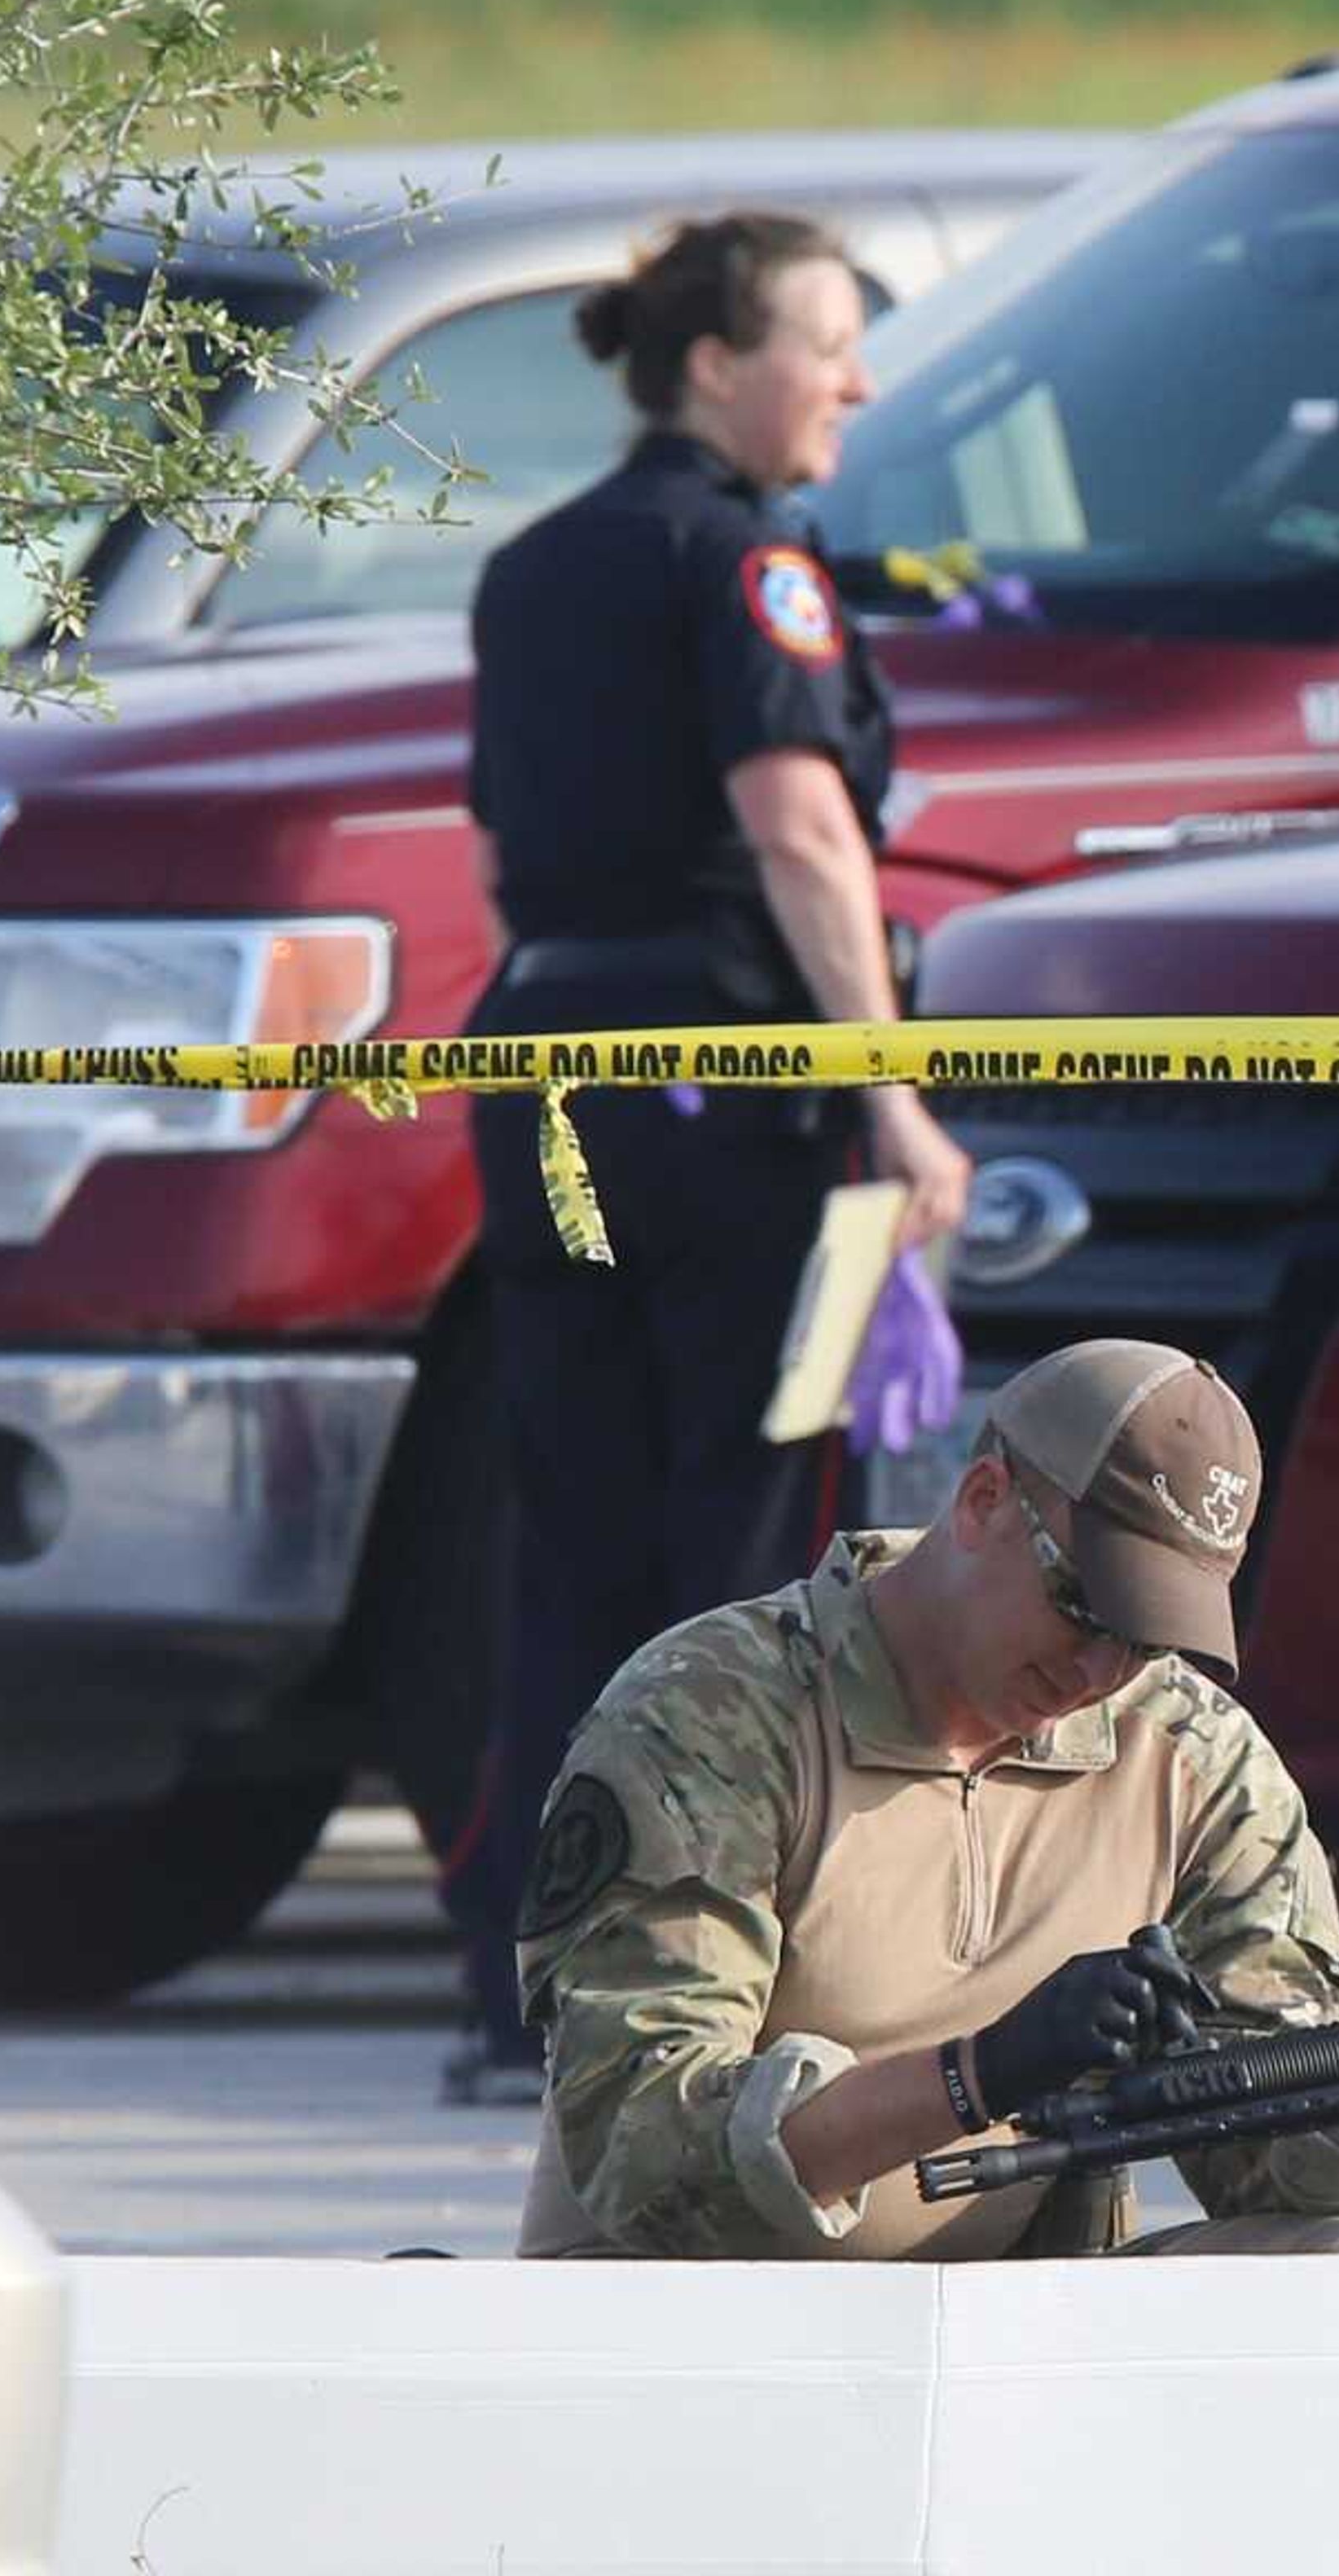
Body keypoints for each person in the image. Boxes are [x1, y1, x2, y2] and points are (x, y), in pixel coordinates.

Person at [510, 1339, 1339, 2259]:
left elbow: (1269, 2154)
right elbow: (644, 2159)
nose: (1102, 1672)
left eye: (1149, 1634)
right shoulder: (715, 1711)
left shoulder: (1188, 1753)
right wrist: (982, 2076)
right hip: (688, 2330)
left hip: (1012, 2338)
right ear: (978, 1502)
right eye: (1085, 1606)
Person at [438, 212, 973, 2105]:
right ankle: (704, 1975)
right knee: (752, 1540)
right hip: (733, 1094)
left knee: (570, 1521)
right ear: (720, 362)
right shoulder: (747, 564)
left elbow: (516, 845)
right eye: (830, 341)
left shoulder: (532, 567)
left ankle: (537, 1978)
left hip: (554, 1068)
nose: (855, 381)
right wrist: (894, 1095)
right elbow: (805, 837)